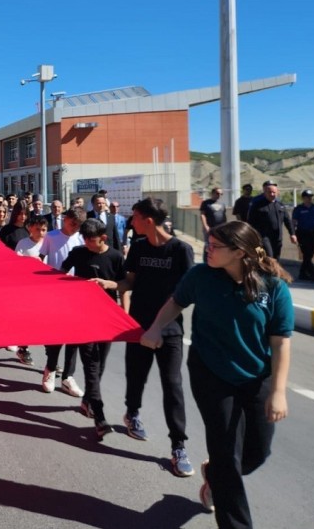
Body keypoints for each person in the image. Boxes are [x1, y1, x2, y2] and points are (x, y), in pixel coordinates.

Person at [140, 220, 293, 527]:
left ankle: (215, 476)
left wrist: (277, 392)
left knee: (257, 452)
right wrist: (156, 327)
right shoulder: (201, 276)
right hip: (210, 373)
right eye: (207, 243)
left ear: (238, 252)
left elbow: (279, 342)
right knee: (226, 458)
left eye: (214, 246)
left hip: (256, 377)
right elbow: (175, 303)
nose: (207, 249)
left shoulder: (273, 286)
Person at [117, 197, 197, 478]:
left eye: (135, 217)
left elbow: (187, 295)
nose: (131, 222)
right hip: (138, 325)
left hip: (170, 330)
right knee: (135, 375)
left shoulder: (181, 250)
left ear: (148, 220)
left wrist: (161, 325)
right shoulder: (138, 247)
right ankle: (132, 413)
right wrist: (113, 285)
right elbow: (130, 281)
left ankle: (178, 446)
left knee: (172, 385)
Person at [60, 218, 127, 440]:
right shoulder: (79, 252)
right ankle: (100, 417)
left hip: (106, 318)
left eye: (91, 241)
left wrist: (124, 314)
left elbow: (124, 286)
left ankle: (88, 401)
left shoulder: (116, 257)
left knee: (100, 365)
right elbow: (61, 271)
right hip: (82, 317)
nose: (87, 244)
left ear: (103, 238)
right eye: (85, 240)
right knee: (91, 364)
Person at [37, 207, 88, 397]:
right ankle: (50, 370)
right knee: (55, 334)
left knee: (74, 335)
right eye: (73, 223)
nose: (75, 228)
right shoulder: (51, 236)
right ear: (65, 219)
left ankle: (68, 376)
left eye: (79, 225)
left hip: (76, 290)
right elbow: (41, 259)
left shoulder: (81, 239)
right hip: (55, 289)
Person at [10, 215, 50, 366]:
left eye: (44, 230)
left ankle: (51, 357)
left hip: (46, 287)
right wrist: (32, 262)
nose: (41, 232)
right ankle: (23, 348)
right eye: (38, 229)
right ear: (30, 229)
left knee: (46, 322)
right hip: (27, 287)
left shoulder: (48, 243)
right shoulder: (23, 243)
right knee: (27, 320)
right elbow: (16, 262)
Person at [245, 181, 296, 260]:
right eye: (269, 192)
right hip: (262, 238)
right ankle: (263, 270)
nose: (272, 194)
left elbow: (288, 221)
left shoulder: (280, 205)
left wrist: (292, 234)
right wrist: (251, 236)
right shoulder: (257, 205)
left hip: (277, 238)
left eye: (274, 192)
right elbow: (250, 222)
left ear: (277, 192)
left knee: (276, 258)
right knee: (265, 257)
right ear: (265, 192)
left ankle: (272, 272)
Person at [291, 190, 314, 281]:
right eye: (308, 197)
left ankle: (302, 274)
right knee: (307, 254)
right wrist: (293, 233)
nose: (310, 198)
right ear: (303, 198)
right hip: (302, 234)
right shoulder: (298, 209)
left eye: (311, 196)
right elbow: (293, 222)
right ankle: (312, 274)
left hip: (313, 234)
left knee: (309, 255)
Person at [199, 187, 228, 256]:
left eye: (221, 194)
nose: (219, 195)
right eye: (217, 193)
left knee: (220, 243)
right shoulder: (206, 203)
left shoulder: (222, 204)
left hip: (220, 228)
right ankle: (206, 259)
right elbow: (202, 215)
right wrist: (206, 226)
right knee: (209, 244)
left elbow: (224, 215)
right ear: (212, 193)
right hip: (210, 227)